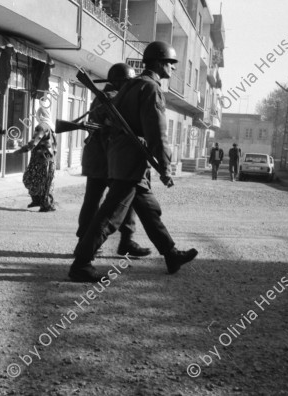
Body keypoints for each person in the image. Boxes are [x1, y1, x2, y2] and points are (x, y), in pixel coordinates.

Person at [68, 41, 198, 283]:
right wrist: (166, 166)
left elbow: (116, 123)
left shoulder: (132, 86)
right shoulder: (150, 88)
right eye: (170, 63)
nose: (173, 68)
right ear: (159, 63)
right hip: (130, 163)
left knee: (149, 211)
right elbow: (157, 132)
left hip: (123, 159)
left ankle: (170, 254)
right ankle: (81, 264)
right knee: (110, 215)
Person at [77, 63, 151, 257]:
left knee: (95, 200)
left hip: (99, 157)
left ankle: (86, 241)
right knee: (125, 198)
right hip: (107, 158)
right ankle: (121, 241)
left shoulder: (106, 97)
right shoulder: (112, 98)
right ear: (120, 82)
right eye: (128, 82)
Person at [16, 106, 57, 212]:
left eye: (38, 114)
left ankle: (41, 202)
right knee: (45, 182)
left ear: (40, 115)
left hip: (40, 161)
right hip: (48, 160)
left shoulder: (42, 127)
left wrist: (20, 150)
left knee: (29, 179)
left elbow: (34, 143)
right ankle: (43, 202)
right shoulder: (51, 127)